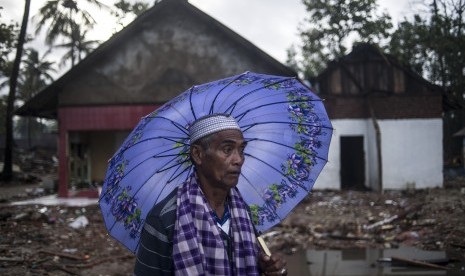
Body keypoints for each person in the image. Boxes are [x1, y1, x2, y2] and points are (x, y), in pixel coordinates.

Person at [134, 113, 287, 275]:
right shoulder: (164, 220)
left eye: (241, 150)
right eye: (227, 150)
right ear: (198, 154)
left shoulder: (242, 212)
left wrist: (267, 269)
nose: (239, 160)